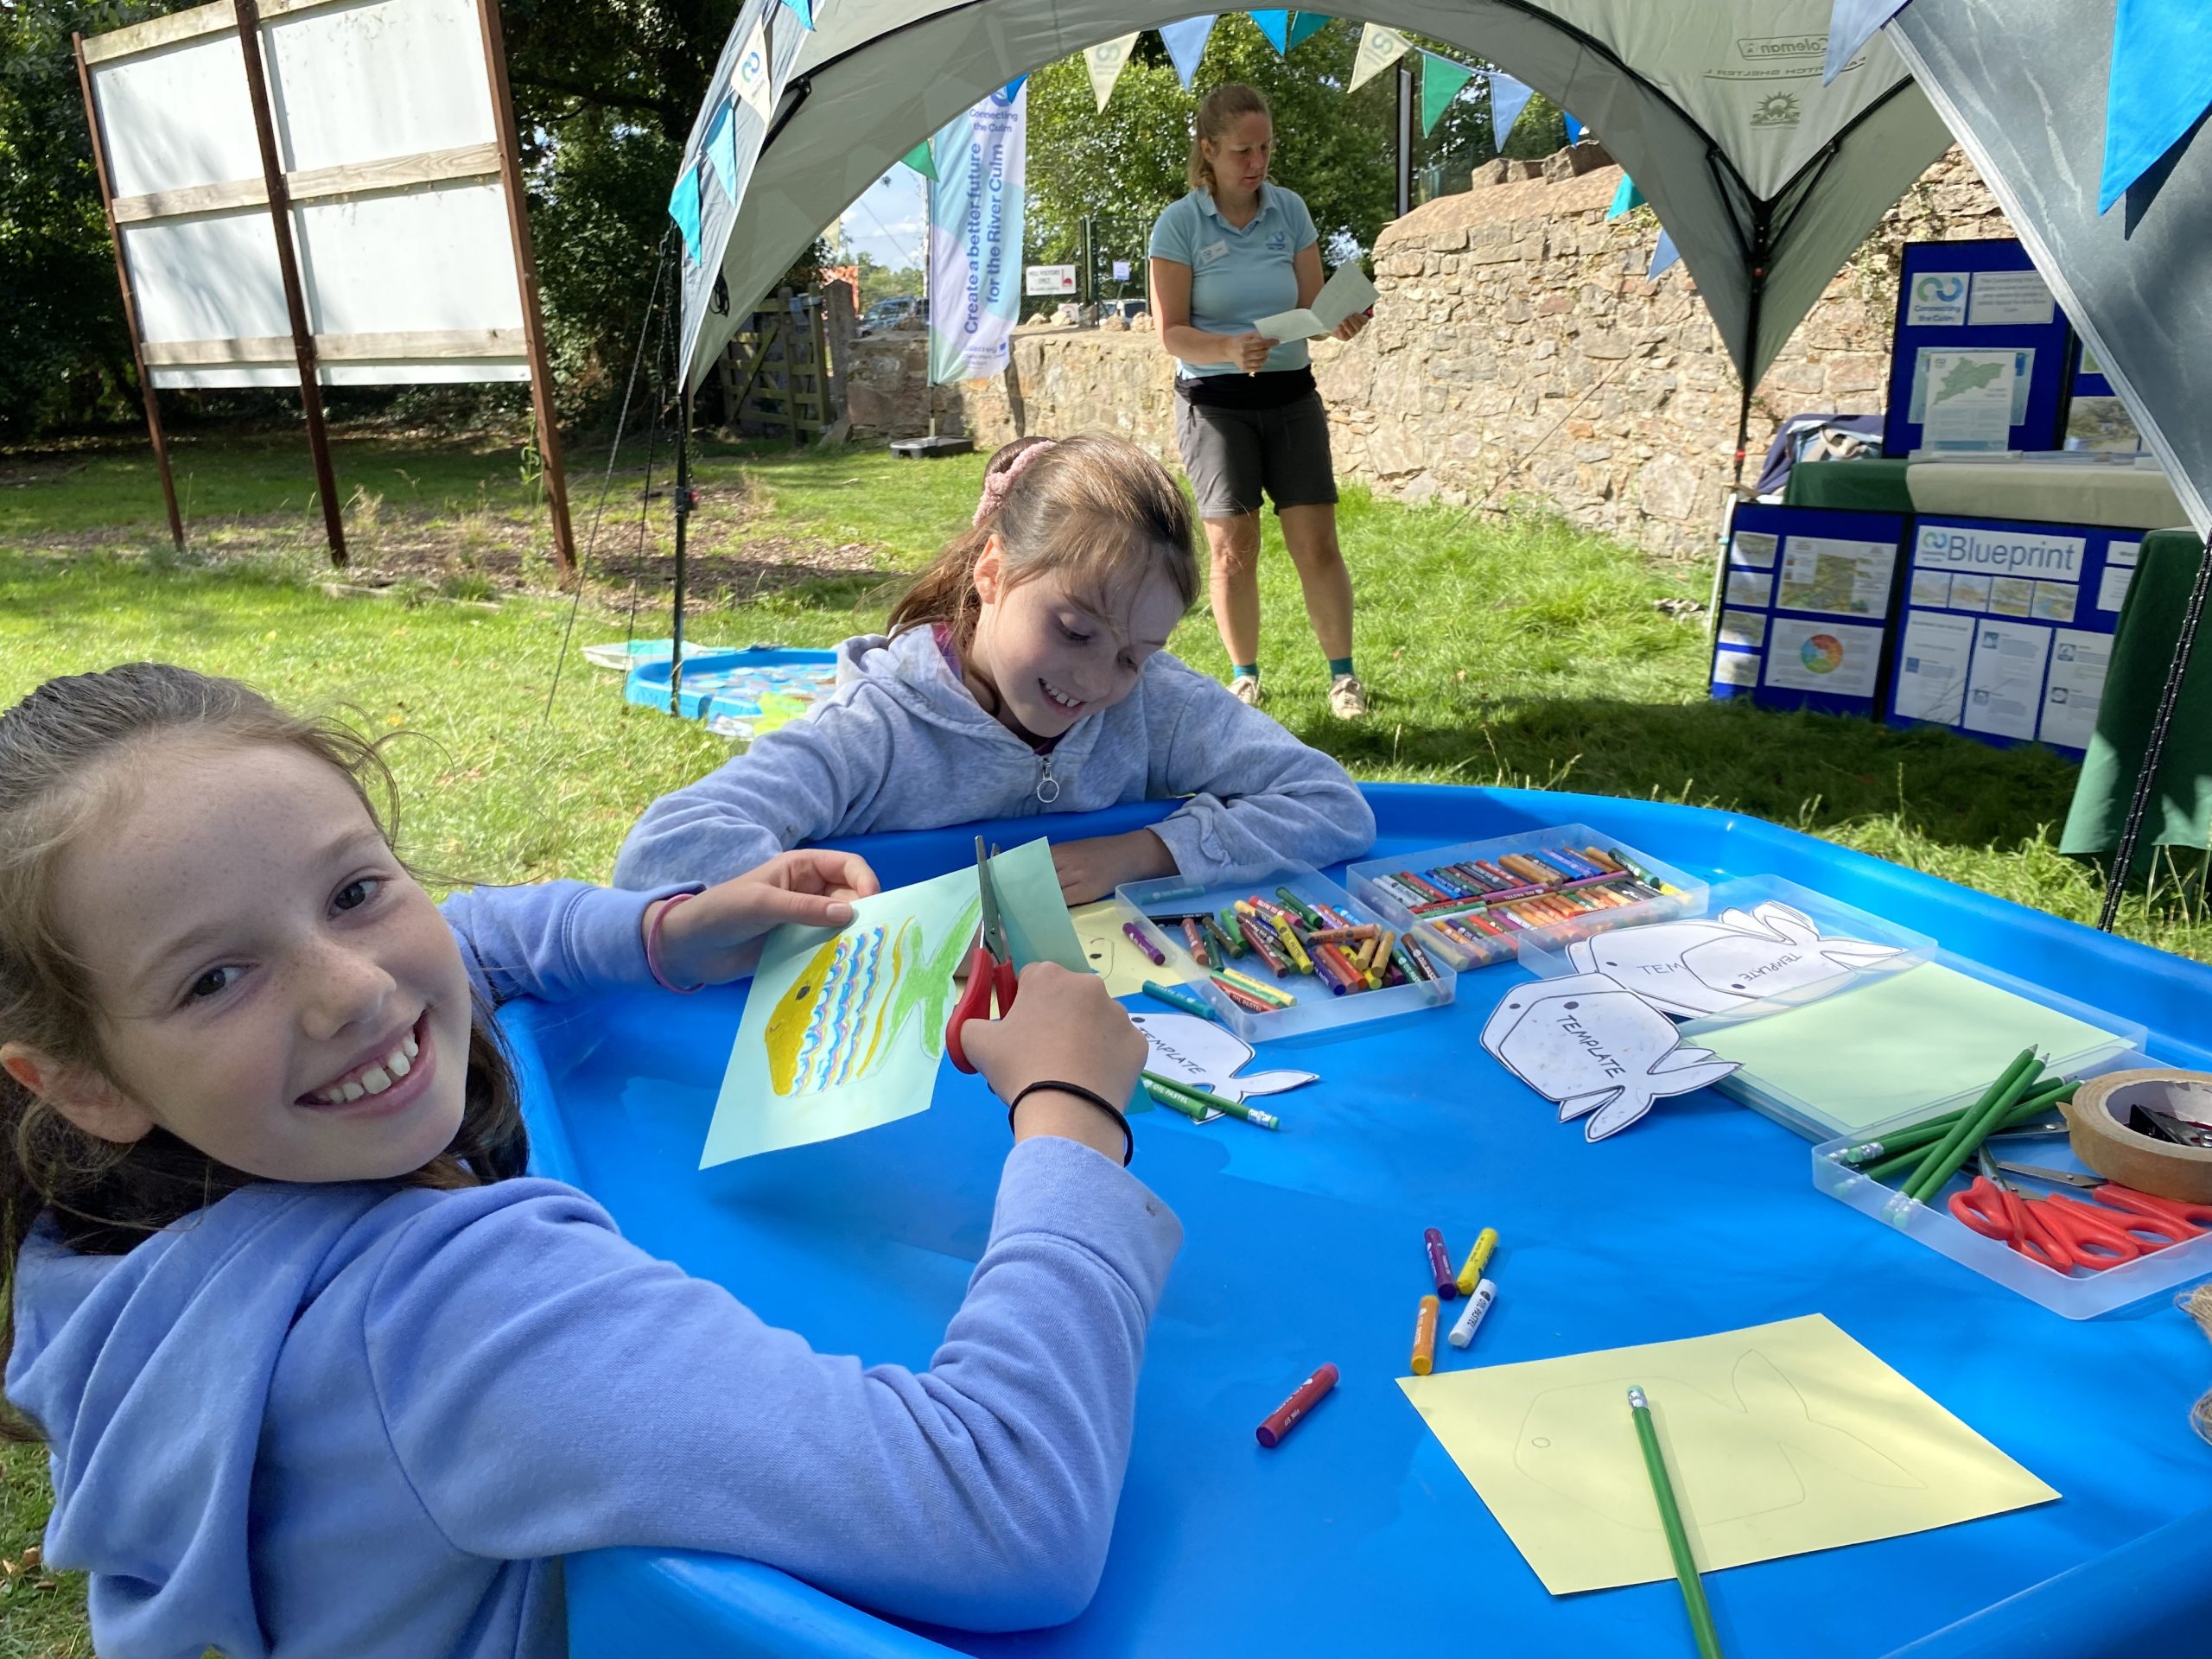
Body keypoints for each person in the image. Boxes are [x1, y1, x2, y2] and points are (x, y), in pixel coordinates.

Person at [0, 663, 1180, 1659]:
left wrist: (671, 928)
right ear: (82, 1083)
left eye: (354, 891)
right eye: (216, 978)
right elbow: (1006, 1505)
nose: (352, 990)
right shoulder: (454, 1318)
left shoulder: (99, 1232)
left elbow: (469, 938)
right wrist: (1070, 1109)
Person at [613, 433, 1375, 901]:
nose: (1098, 683)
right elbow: (664, 850)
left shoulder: (1153, 703)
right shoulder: (876, 729)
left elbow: (1332, 805)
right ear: (992, 573)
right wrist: (858, 923)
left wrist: (1142, 853)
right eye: (1074, 631)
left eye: (1134, 656)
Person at [1147, 81, 1371, 719]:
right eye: (1243, 151)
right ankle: (1245, 679)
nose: (1257, 162)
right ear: (1209, 150)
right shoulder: (1178, 224)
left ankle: (1344, 680)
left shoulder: (1290, 210)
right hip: (1214, 402)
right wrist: (1226, 348)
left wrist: (1336, 321)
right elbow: (1171, 333)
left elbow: (1311, 307)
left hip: (1292, 393)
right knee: (1232, 550)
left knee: (1317, 544)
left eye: (1265, 148)